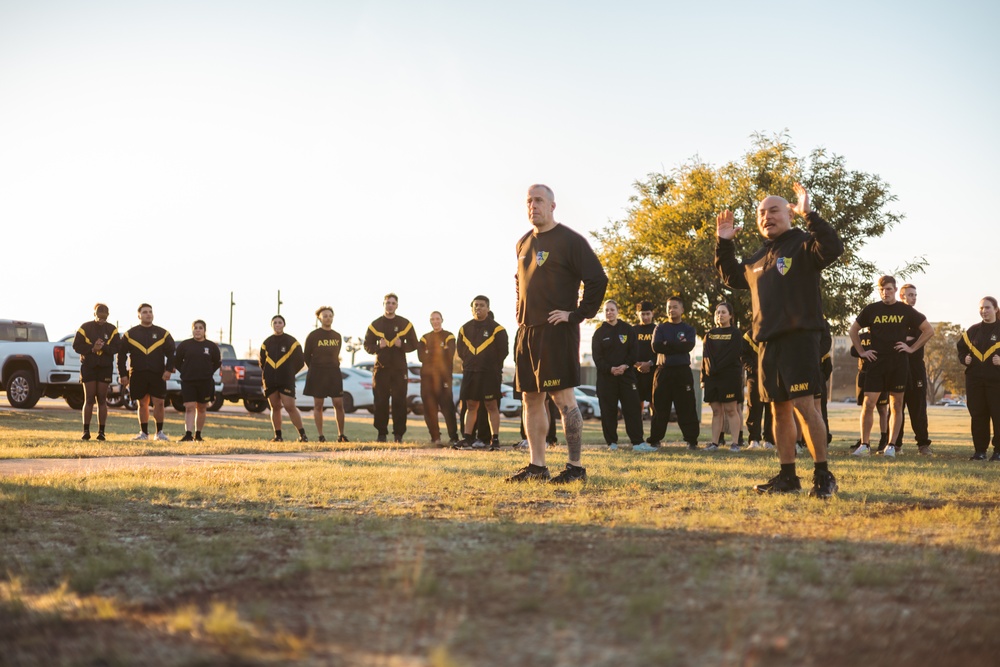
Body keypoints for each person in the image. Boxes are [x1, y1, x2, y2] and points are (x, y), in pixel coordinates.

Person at [715, 183, 842, 498]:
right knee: (778, 410)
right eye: (761, 212)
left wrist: (810, 215)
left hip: (800, 338)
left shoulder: (804, 244)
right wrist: (723, 243)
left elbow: (833, 247)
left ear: (789, 213)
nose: (766, 216)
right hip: (767, 344)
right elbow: (731, 277)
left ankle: (823, 475)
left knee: (803, 405)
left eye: (774, 210)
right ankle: (788, 478)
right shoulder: (758, 257)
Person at [506, 184, 608, 483]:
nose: (532, 206)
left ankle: (575, 467)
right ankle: (537, 466)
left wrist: (576, 314)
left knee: (563, 399)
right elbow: (518, 280)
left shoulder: (570, 241)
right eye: (528, 201)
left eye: (538, 200)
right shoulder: (523, 243)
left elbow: (597, 279)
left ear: (552, 206)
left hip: (557, 331)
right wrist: (519, 309)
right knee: (530, 399)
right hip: (527, 332)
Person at [848, 275, 934, 458]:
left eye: (888, 289)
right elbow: (853, 330)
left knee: (896, 405)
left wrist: (911, 348)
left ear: (895, 290)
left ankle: (892, 446)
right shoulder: (871, 309)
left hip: (898, 364)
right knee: (868, 403)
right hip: (876, 364)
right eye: (881, 290)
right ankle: (864, 445)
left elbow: (929, 330)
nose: (884, 293)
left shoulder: (906, 310)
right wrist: (862, 351)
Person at [592, 299, 648, 451]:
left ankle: (638, 443)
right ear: (604, 313)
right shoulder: (599, 333)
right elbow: (597, 358)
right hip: (606, 379)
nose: (609, 312)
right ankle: (612, 443)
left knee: (633, 409)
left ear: (617, 311)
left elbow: (633, 352)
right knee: (608, 411)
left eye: (612, 309)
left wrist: (625, 366)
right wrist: (610, 369)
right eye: (606, 310)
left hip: (627, 377)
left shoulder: (628, 330)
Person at [647, 296, 700, 450]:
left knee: (686, 407)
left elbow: (688, 346)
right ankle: (655, 439)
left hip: (682, 372)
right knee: (659, 407)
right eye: (669, 307)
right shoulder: (660, 328)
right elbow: (656, 347)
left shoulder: (689, 329)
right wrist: (676, 345)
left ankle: (691, 440)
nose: (671, 310)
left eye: (675, 307)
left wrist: (667, 344)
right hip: (663, 372)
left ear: (682, 310)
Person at [456, 296, 509, 450]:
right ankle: (467, 438)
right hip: (471, 372)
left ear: (488, 308)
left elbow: (503, 352)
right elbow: (460, 351)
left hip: (489, 374)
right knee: (471, 405)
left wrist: (491, 365)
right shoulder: (464, 329)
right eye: (476, 305)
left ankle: (495, 439)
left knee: (491, 405)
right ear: (472, 308)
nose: (478, 308)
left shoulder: (497, 329)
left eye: (482, 305)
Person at [363, 293, 417, 442]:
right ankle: (381, 433)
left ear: (397, 305)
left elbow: (414, 344)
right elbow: (367, 346)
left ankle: (398, 435)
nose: (390, 305)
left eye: (393, 303)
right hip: (381, 369)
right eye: (388, 303)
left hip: (399, 370)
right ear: (383, 304)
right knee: (380, 402)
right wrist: (378, 347)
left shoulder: (405, 324)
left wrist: (402, 345)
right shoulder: (375, 325)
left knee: (400, 402)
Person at [118, 303, 175, 441]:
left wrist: (168, 370)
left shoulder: (163, 334)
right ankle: (144, 433)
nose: (148, 314)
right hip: (138, 373)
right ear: (139, 315)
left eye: (150, 311)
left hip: (158, 374)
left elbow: (172, 354)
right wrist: (123, 374)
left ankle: (159, 433)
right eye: (144, 312)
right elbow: (121, 355)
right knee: (142, 403)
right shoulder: (130, 334)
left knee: (159, 402)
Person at [956, 296, 1000, 461]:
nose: (984, 311)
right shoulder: (973, 331)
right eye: (981, 308)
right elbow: (961, 349)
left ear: (996, 309)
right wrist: (964, 359)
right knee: (978, 416)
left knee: (998, 416)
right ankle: (980, 451)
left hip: (997, 382)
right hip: (975, 381)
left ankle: (998, 451)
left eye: (987, 307)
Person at [892, 283, 932, 455]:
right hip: (896, 367)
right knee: (896, 407)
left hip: (916, 368)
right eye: (910, 295)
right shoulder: (894, 317)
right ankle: (895, 445)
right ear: (901, 296)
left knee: (918, 408)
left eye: (915, 295)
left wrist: (911, 347)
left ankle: (923, 445)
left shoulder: (918, 318)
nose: (913, 298)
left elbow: (927, 333)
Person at [72, 303, 121, 441]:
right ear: (94, 314)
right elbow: (76, 346)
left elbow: (117, 347)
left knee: (101, 399)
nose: (101, 320)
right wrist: (92, 348)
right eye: (99, 317)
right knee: (89, 398)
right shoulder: (85, 327)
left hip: (104, 367)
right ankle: (86, 431)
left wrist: (104, 347)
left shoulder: (112, 329)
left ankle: (101, 432)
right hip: (89, 366)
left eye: (104, 317)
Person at [303, 306, 348, 443]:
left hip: (333, 372)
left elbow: (336, 354)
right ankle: (321, 436)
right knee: (318, 405)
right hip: (318, 373)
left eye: (330, 315)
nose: (328, 318)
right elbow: (306, 356)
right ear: (319, 318)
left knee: (338, 403)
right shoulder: (313, 335)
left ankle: (341, 435)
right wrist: (316, 367)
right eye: (325, 316)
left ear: (333, 317)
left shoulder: (337, 336)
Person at [702, 302, 743, 452]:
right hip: (712, 377)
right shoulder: (709, 334)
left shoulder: (735, 333)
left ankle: (735, 443)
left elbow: (733, 355)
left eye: (723, 312)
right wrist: (703, 377)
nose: (720, 315)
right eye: (717, 312)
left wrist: (717, 368)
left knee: (731, 410)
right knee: (716, 411)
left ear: (730, 316)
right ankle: (714, 443)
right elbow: (705, 357)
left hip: (729, 376)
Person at [260, 315, 307, 442]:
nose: (277, 324)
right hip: (270, 380)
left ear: (284, 324)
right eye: (275, 322)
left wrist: (289, 372)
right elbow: (262, 362)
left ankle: (303, 435)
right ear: (272, 325)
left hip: (286, 380)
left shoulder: (292, 342)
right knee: (275, 407)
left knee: (289, 406)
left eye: (280, 322)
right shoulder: (266, 342)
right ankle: (278, 436)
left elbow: (300, 361)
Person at [173, 320, 222, 442]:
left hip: (205, 382)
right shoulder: (185, 345)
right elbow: (177, 361)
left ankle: (198, 435)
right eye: (195, 328)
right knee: (189, 407)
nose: (198, 330)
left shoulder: (211, 346)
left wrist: (208, 371)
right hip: (188, 381)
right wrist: (184, 371)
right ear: (192, 330)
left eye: (200, 328)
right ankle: (188, 434)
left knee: (202, 408)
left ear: (205, 331)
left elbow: (217, 362)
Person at [417, 311, 459, 446]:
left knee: (448, 409)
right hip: (427, 379)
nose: (435, 321)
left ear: (442, 320)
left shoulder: (449, 336)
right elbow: (421, 357)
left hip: (444, 378)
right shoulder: (424, 338)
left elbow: (449, 354)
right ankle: (435, 437)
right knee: (430, 409)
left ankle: (453, 437)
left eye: (437, 319)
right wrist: (441, 350)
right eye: (432, 319)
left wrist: (431, 351)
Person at [850, 327, 891, 454]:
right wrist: (865, 351)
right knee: (865, 408)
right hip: (864, 373)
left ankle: (884, 438)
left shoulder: (882, 334)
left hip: (880, 373)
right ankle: (864, 439)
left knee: (882, 408)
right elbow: (853, 350)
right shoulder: (862, 336)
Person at [741, 329, 774, 449]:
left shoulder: (774, 331)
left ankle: (769, 439)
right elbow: (744, 356)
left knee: (771, 408)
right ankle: (754, 439)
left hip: (772, 377)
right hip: (754, 378)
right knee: (753, 407)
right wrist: (755, 370)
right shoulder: (748, 336)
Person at [633, 301, 658, 417]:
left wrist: (649, 363)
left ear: (652, 314)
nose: (645, 317)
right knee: (637, 404)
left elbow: (660, 351)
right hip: (636, 373)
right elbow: (628, 350)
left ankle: (655, 432)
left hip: (653, 371)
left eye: (648, 314)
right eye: (643, 314)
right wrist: (636, 364)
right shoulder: (632, 331)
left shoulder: (658, 330)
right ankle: (637, 433)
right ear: (638, 314)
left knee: (654, 403)